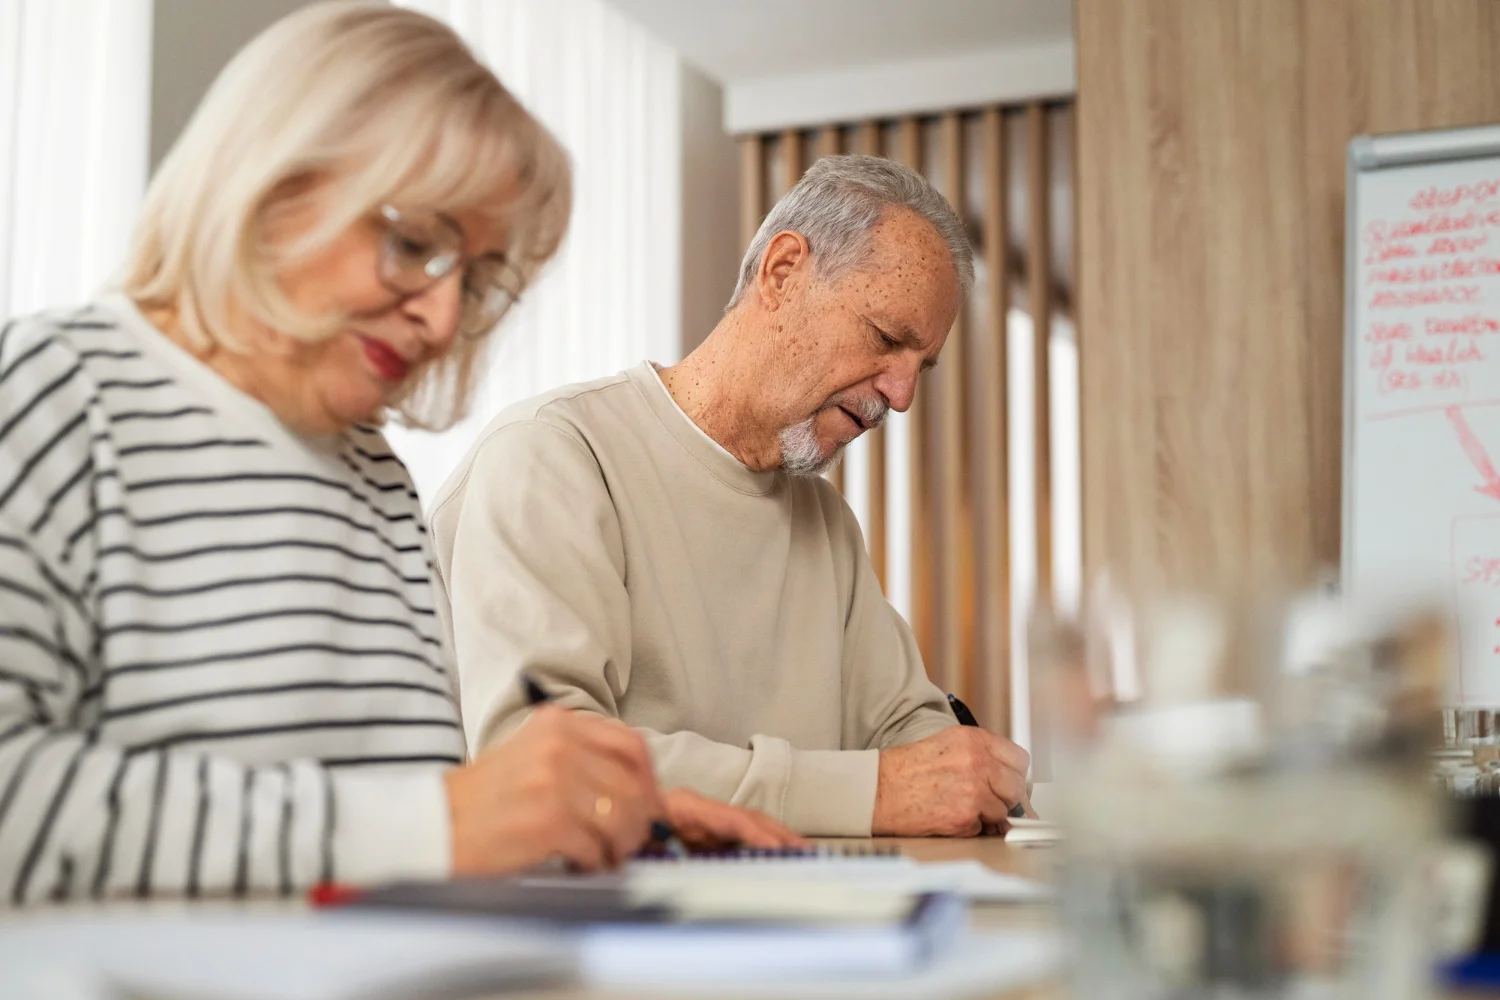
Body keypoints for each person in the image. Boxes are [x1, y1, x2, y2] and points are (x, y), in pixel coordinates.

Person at [0, 2, 796, 904]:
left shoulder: (375, 481)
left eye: (479, 280)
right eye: (416, 244)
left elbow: (400, 823)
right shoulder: (49, 395)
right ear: (269, 180)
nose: (445, 319)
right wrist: (444, 824)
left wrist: (588, 824)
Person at [431, 154, 1034, 838]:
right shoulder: (553, 455)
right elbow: (545, 757)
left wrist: (976, 779)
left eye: (918, 366)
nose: (902, 395)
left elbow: (902, 725)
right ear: (782, 272)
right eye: (886, 338)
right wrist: (867, 793)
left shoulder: (824, 523)